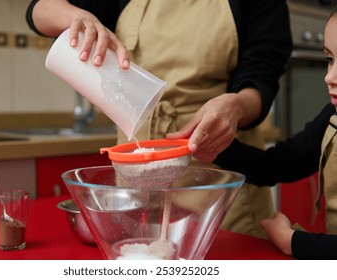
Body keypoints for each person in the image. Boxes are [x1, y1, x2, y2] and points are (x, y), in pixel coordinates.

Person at [26, 0, 293, 238]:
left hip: (216, 173)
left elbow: (261, 78)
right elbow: (38, 10)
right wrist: (78, 16)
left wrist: (234, 107)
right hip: (135, 176)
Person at [212, 3, 337, 259]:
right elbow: (277, 164)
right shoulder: (332, 117)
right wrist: (215, 145)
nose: (329, 77)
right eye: (330, 60)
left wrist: (292, 241)